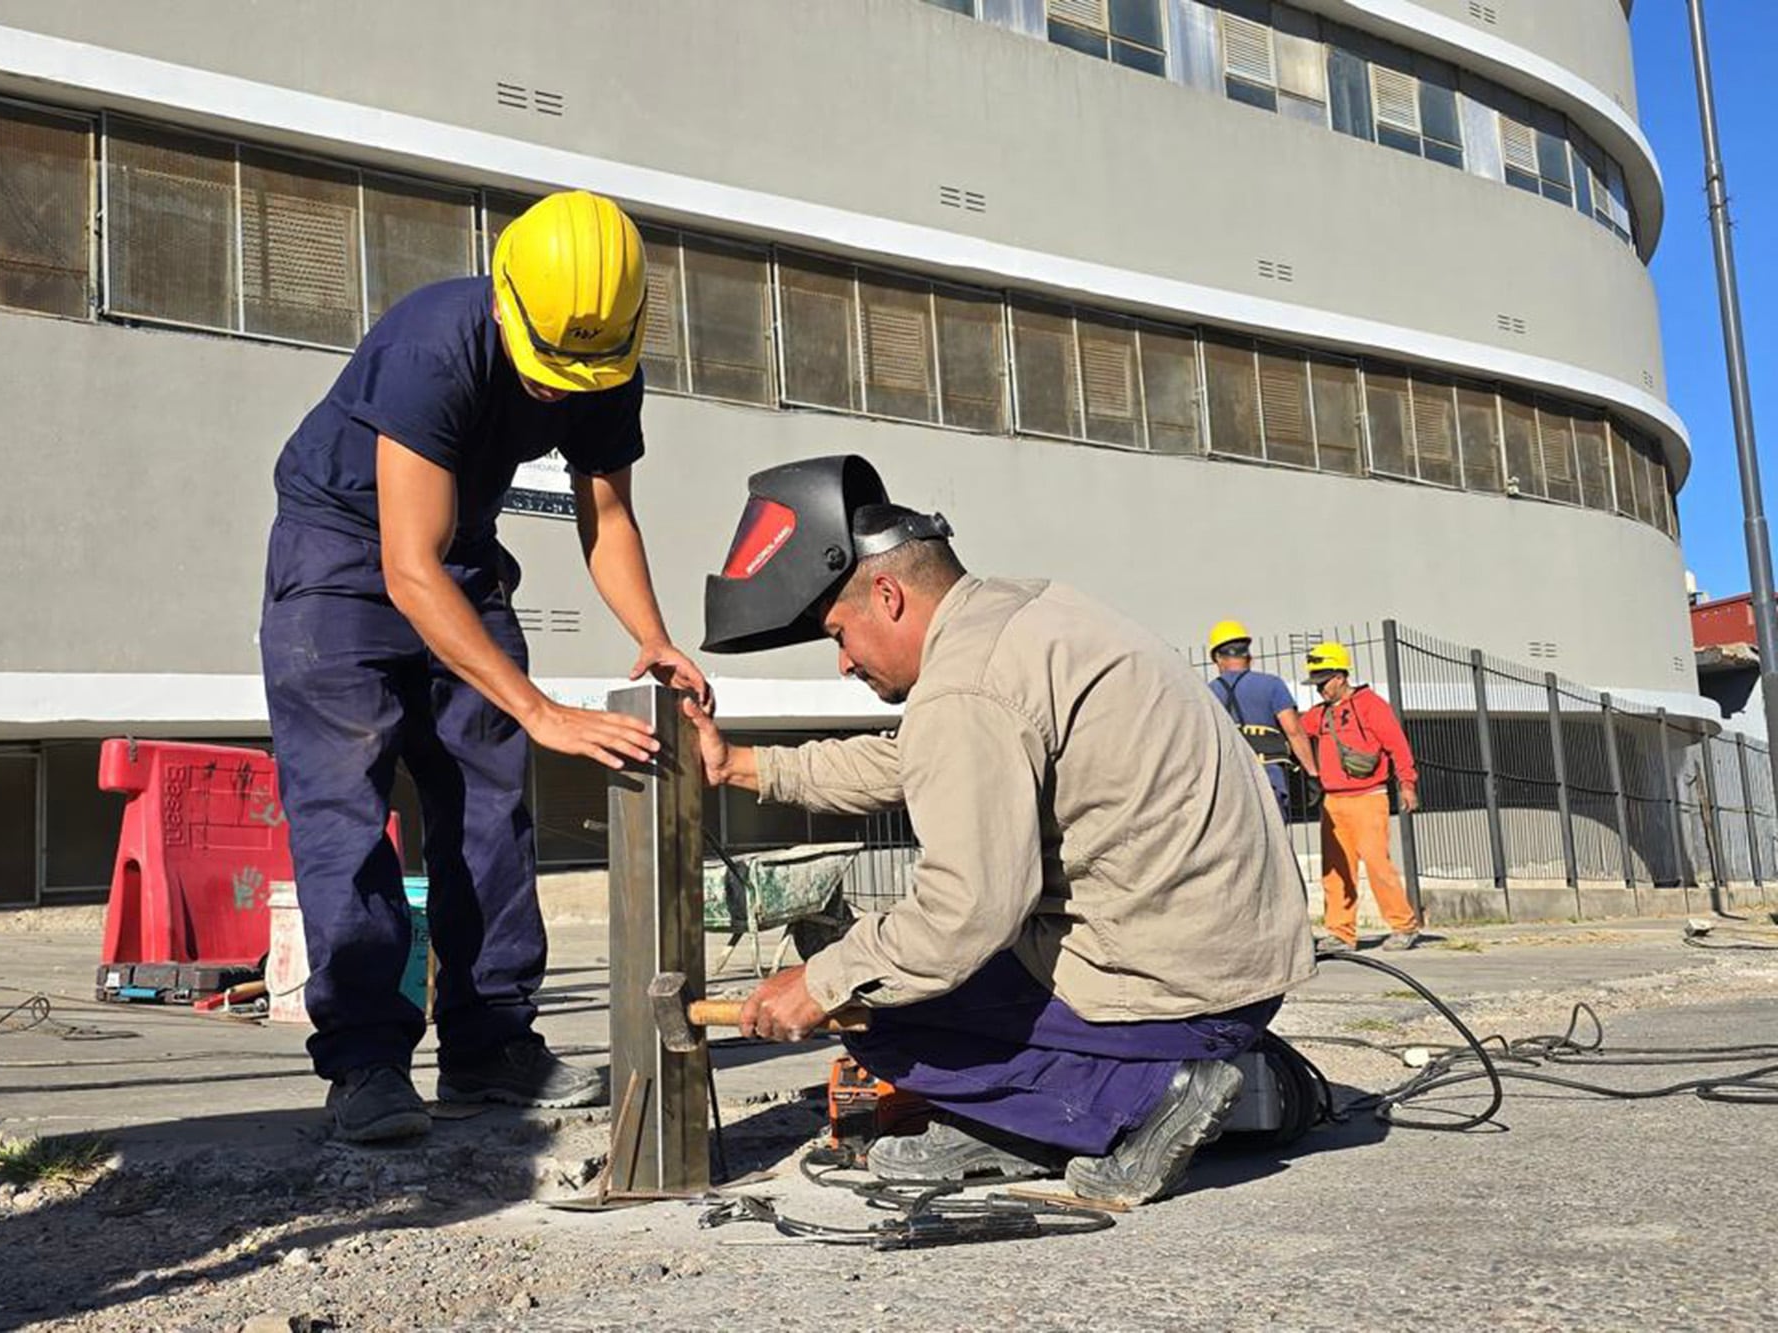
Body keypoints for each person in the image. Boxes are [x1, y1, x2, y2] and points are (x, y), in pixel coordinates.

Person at [685, 456, 1313, 1206]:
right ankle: (1174, 1083)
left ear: (885, 594)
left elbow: (966, 913)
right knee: (898, 976)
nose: (845, 661)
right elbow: (909, 761)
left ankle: (1149, 1096)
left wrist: (818, 984)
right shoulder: (1018, 613)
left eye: (840, 633)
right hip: (1237, 976)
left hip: (1179, 996)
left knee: (876, 1013)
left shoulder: (968, 682)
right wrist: (740, 764)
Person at [260, 190, 711, 1141]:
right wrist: (543, 709)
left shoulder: (600, 360)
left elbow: (608, 517)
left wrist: (654, 635)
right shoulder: (432, 345)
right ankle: (367, 1064)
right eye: (550, 368)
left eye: (584, 373)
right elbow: (405, 567)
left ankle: (490, 1043)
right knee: (346, 806)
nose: (562, 388)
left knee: (489, 796)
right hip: (341, 558)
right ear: (506, 302)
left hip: (455, 550)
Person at [1300, 642, 1421, 955]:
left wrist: (1407, 784)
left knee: (1378, 864)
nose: (1320, 689)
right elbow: (1296, 731)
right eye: (1316, 683)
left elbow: (1397, 745)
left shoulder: (1371, 705)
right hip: (1333, 801)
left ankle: (1403, 925)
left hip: (1369, 797)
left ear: (1341, 676)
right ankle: (1340, 933)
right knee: (1335, 870)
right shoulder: (1319, 715)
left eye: (1324, 681)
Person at [1206, 620, 1317, 820]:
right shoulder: (1272, 685)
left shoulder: (1208, 693)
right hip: (1267, 775)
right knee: (1273, 840)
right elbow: (1294, 731)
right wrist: (1312, 772)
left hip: (1228, 779)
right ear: (1249, 656)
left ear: (1217, 658)